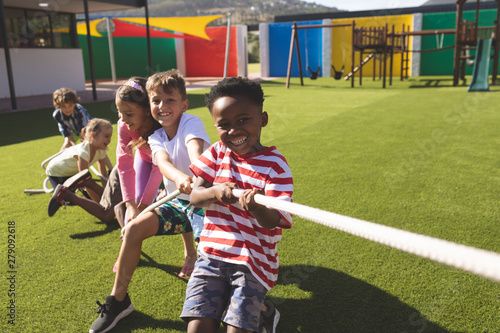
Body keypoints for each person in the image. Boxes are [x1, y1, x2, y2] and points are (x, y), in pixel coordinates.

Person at [89, 70, 210, 333]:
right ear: (150, 106)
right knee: (133, 228)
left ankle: (253, 303)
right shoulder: (154, 137)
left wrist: (196, 174)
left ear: (183, 104)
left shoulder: (190, 122)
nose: (163, 107)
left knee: (211, 256)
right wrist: (136, 204)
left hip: (205, 203)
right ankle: (118, 301)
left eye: (169, 101)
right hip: (179, 201)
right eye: (157, 102)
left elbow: (195, 150)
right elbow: (161, 163)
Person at [182, 77, 293, 333]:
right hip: (211, 256)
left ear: (262, 119)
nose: (234, 131)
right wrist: (215, 191)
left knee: (237, 329)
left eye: (243, 120)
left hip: (254, 262)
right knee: (197, 328)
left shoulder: (275, 165)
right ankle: (239, 305)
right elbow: (195, 196)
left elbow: (275, 219)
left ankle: (264, 312)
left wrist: (255, 206)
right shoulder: (217, 152)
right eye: (224, 125)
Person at [46, 118, 114, 216]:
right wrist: (101, 206)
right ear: (93, 135)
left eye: (110, 137)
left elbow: (103, 175)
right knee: (70, 200)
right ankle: (61, 195)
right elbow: (86, 181)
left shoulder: (101, 150)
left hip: (71, 173)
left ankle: (65, 194)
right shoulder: (84, 151)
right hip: (56, 172)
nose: (109, 140)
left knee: (87, 193)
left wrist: (107, 196)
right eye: (106, 136)